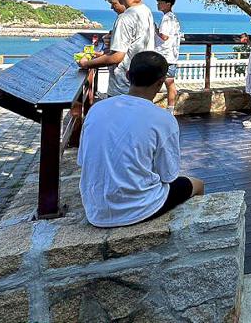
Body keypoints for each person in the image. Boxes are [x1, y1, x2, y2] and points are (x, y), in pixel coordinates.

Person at [77, 51, 204, 227]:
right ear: (160, 82)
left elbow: (83, 160)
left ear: (128, 75)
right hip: (139, 208)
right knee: (197, 184)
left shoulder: (97, 109)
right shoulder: (163, 119)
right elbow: (168, 175)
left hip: (95, 208)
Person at [79, 0, 154, 97]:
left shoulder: (125, 17)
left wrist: (86, 63)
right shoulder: (146, 11)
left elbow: (117, 57)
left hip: (122, 87)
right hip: (140, 85)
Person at [155, 0, 182, 114]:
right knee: (170, 83)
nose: (158, 5)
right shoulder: (174, 18)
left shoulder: (166, 18)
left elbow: (164, 36)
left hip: (164, 55)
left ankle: (148, 106)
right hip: (172, 56)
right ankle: (171, 109)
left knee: (155, 81)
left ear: (168, 4)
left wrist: (155, 30)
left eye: (160, 2)